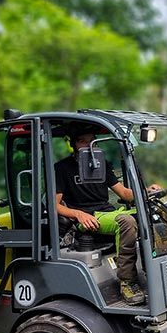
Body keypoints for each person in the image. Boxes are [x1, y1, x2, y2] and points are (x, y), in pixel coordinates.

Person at [55, 129, 160, 306]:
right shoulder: (62, 168)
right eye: (82, 141)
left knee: (155, 212)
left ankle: (155, 273)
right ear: (72, 145)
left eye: (92, 142)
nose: (88, 146)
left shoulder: (101, 162)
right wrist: (78, 214)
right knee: (126, 222)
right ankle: (127, 283)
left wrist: (147, 191)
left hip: (108, 213)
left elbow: (125, 194)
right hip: (87, 218)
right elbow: (54, 204)